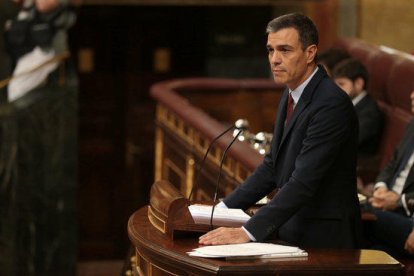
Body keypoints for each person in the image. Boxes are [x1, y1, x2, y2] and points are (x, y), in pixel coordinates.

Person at [199, 13, 362, 249]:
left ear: (310, 53)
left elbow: (304, 182)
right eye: (270, 50)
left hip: (324, 239)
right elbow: (273, 165)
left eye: (284, 50)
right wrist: (223, 209)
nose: (274, 59)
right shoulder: (290, 92)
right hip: (294, 227)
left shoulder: (330, 104)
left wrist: (248, 231)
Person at [364, 90, 414, 258]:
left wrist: (399, 201)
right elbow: (392, 162)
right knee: (375, 253)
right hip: (389, 209)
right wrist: (381, 187)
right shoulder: (412, 124)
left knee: (353, 214)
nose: (412, 95)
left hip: (409, 216)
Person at [332, 58, 383, 156]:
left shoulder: (370, 113)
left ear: (359, 83)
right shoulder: (342, 103)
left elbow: (345, 141)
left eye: (341, 84)